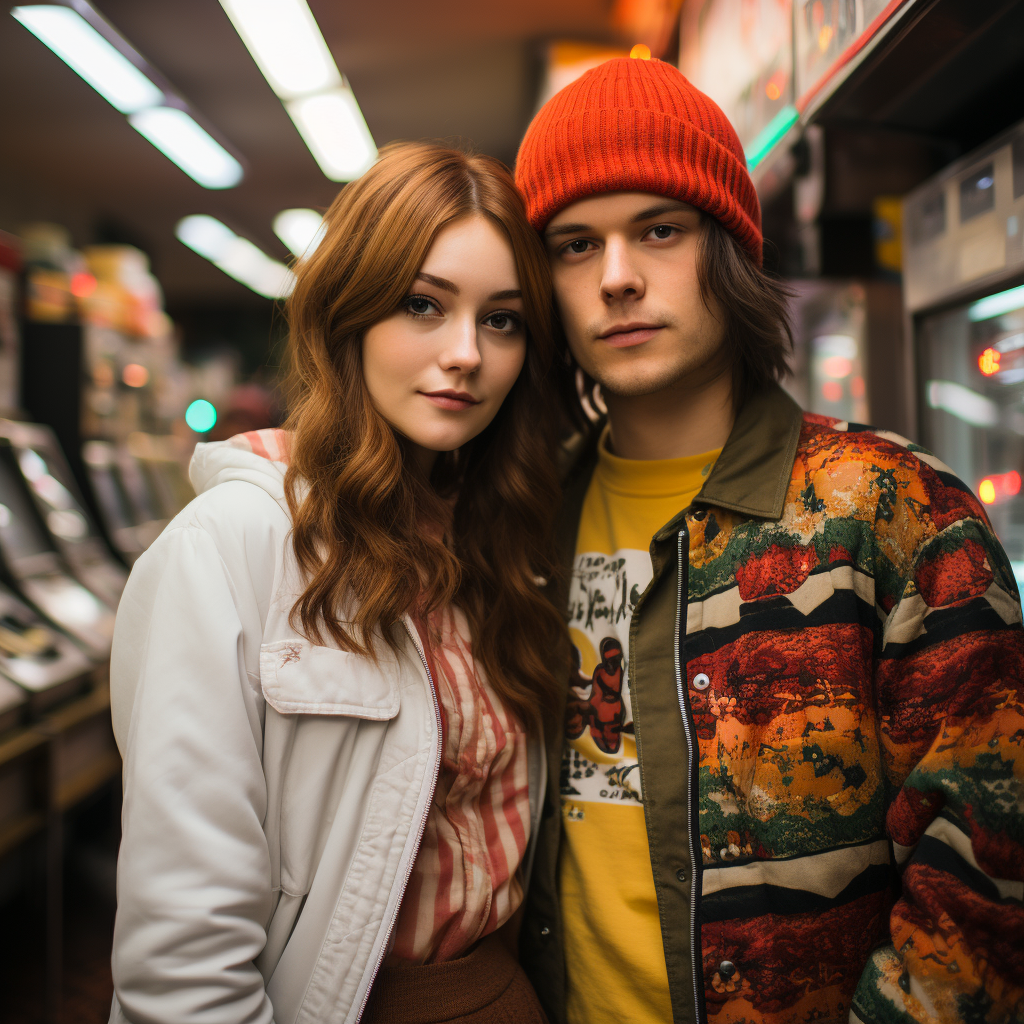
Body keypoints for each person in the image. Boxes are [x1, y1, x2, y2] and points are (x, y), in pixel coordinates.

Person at [513, 56, 1024, 1024]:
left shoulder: (887, 508)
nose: (616, 278)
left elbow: (991, 863)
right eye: (575, 245)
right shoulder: (520, 524)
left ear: (729, 250)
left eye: (658, 230)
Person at [108, 141, 570, 1024]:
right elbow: (184, 963)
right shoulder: (234, 545)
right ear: (347, 314)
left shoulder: (502, 545)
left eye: (502, 319)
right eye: (423, 305)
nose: (467, 352)